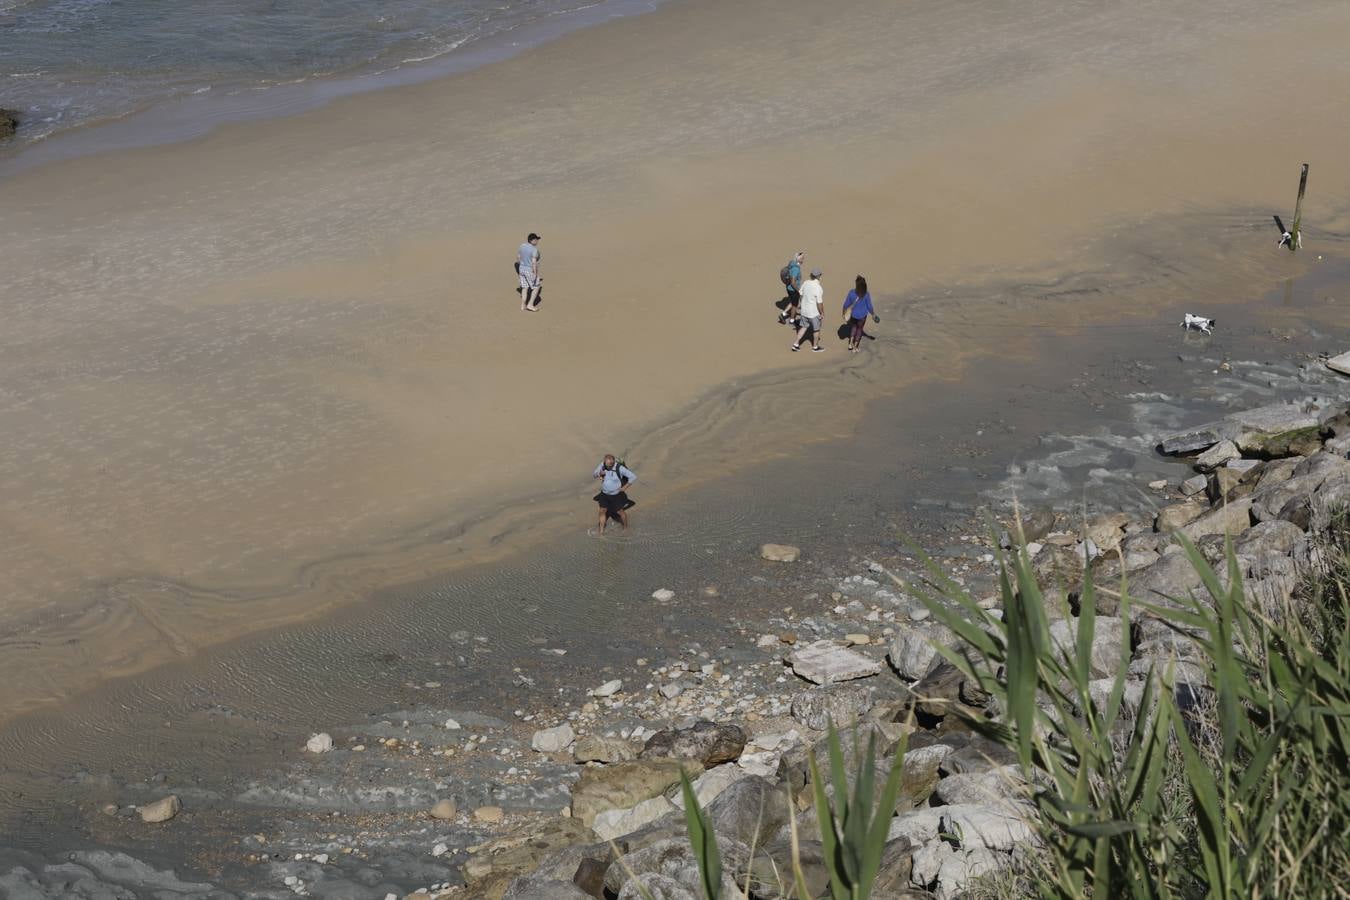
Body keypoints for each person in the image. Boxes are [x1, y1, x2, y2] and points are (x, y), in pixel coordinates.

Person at [592, 454, 637, 533]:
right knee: (602, 511)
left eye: (610, 466)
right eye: (606, 465)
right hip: (604, 494)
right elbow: (594, 475)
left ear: (613, 463)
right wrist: (599, 473)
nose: (608, 468)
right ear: (604, 462)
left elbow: (633, 477)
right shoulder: (602, 465)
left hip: (616, 495)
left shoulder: (619, 468)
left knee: (620, 512)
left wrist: (624, 488)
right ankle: (601, 531)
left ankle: (625, 528)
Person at [791, 267, 826, 352]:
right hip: (814, 313)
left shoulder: (806, 283)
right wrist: (822, 313)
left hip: (804, 311)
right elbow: (819, 303)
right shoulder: (818, 288)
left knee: (803, 327)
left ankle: (796, 344)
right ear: (818, 276)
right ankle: (815, 347)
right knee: (816, 329)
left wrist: (803, 303)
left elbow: (801, 293)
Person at [842, 275, 879, 353]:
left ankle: (850, 344)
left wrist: (843, 313)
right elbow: (869, 306)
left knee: (854, 327)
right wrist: (873, 314)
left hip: (854, 315)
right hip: (862, 316)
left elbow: (846, 305)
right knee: (859, 329)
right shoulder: (866, 294)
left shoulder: (851, 293)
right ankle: (855, 346)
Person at [778, 251, 804, 327]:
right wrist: (799, 290)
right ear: (798, 259)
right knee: (795, 305)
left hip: (788, 288)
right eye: (802, 258)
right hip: (793, 289)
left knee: (793, 302)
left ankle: (783, 314)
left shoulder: (792, 263)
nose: (803, 259)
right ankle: (792, 320)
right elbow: (793, 282)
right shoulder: (796, 269)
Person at [517, 233, 542, 311]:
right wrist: (535, 274)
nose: (537, 241)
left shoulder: (522, 246)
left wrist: (522, 264)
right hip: (529, 270)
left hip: (521, 269)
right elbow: (534, 262)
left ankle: (523, 305)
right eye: (536, 239)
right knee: (536, 286)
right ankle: (530, 304)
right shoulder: (534, 250)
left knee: (524, 287)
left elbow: (518, 257)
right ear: (533, 240)